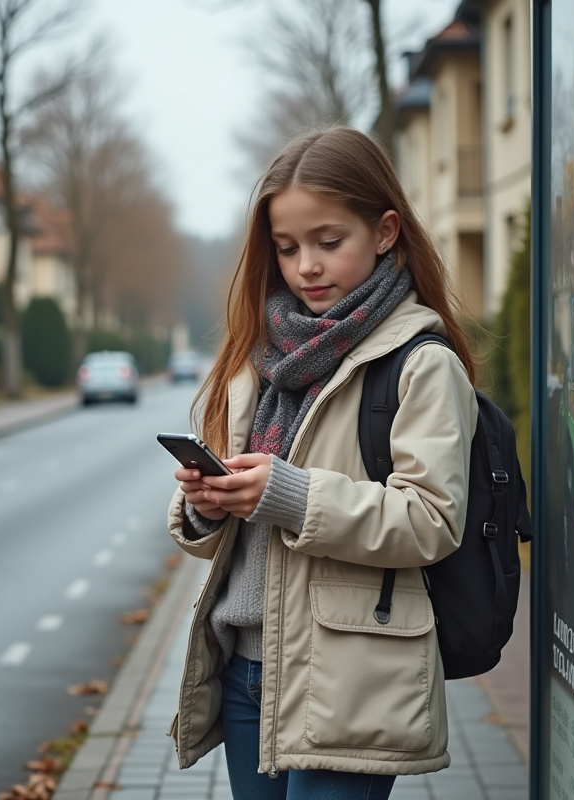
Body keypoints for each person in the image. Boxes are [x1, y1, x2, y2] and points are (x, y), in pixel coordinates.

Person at [166, 126, 478, 800]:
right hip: (246, 672)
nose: (305, 265)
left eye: (328, 242)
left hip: (351, 678)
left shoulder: (422, 365)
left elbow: (431, 521)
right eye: (287, 247)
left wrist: (289, 495)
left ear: (386, 230)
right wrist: (205, 501)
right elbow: (223, 542)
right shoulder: (258, 361)